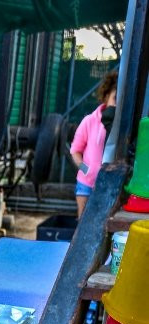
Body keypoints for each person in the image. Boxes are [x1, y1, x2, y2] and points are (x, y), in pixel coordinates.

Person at [70, 70, 117, 218]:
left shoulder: (122, 125)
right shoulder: (89, 121)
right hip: (86, 185)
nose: (117, 103)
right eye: (115, 98)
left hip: (109, 187)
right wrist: (86, 170)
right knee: (82, 223)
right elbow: (75, 151)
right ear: (106, 96)